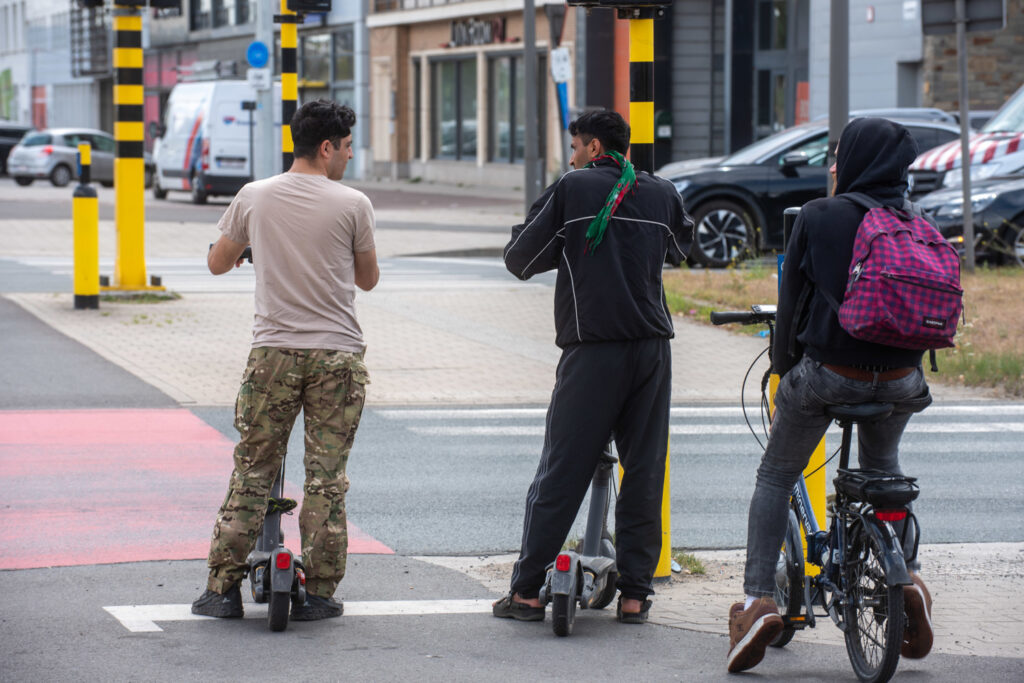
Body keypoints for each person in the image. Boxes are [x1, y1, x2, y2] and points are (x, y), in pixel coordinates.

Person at [726, 117, 935, 673]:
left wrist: (781, 371)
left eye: (839, 155)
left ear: (857, 161)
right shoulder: (915, 221)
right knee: (884, 470)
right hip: (902, 378)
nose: (834, 165)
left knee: (775, 474)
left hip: (831, 373)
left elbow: (791, 305)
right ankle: (906, 574)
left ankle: (756, 602)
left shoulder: (819, 216)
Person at [493, 110, 693, 624]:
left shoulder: (573, 189)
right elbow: (683, 247)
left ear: (596, 148)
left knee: (561, 470)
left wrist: (562, 217)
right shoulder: (663, 192)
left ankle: (527, 593)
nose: (574, 156)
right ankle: (635, 596)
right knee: (645, 470)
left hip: (593, 350)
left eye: (577, 147)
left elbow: (520, 257)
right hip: (652, 348)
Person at [191, 99, 379, 622]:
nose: (347, 157)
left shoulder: (254, 196)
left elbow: (216, 263)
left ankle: (220, 591)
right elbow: (367, 279)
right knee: (325, 478)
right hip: (337, 358)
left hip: (271, 354)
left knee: (252, 470)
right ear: (326, 148)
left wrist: (255, 247)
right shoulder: (353, 204)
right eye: (345, 148)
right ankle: (319, 593)